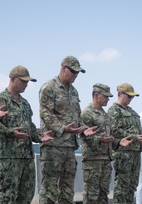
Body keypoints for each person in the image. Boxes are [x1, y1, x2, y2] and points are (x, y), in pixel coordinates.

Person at [39, 56, 97, 204]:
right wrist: (63, 129)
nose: (76, 75)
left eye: (78, 73)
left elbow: (77, 116)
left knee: (67, 190)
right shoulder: (49, 88)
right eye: (73, 71)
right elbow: (45, 113)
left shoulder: (74, 92)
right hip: (53, 146)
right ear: (63, 68)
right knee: (49, 190)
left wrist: (83, 130)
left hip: (70, 147)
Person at [0, 65, 52, 204]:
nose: (26, 84)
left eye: (27, 82)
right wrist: (10, 132)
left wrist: (39, 136)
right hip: (8, 160)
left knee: (25, 196)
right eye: (23, 81)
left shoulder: (25, 104)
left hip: (27, 159)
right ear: (12, 79)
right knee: (6, 197)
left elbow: (29, 127)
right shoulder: (1, 100)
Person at [80, 83, 133, 204]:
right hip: (92, 161)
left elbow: (108, 138)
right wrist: (99, 140)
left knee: (103, 195)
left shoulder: (104, 114)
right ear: (96, 95)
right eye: (106, 96)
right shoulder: (87, 113)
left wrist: (118, 142)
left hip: (105, 160)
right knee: (91, 196)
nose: (108, 99)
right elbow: (84, 136)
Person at [107, 83, 142, 204]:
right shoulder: (114, 110)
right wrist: (135, 137)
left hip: (135, 153)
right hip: (123, 154)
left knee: (132, 186)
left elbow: (138, 130)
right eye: (129, 96)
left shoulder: (132, 112)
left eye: (132, 97)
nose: (131, 99)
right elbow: (114, 130)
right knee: (122, 186)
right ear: (120, 94)